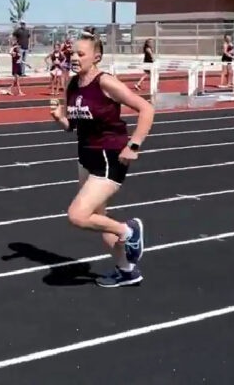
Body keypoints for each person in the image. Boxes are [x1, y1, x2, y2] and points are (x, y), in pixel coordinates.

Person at [50, 31, 154, 288]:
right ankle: (126, 271)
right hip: (85, 157)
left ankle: (129, 231)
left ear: (96, 57)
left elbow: (146, 108)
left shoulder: (105, 82)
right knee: (100, 219)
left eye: (80, 54)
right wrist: (60, 119)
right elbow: (73, 125)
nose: (74, 58)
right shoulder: (73, 84)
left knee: (77, 215)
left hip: (109, 157)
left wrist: (134, 144)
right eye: (72, 53)